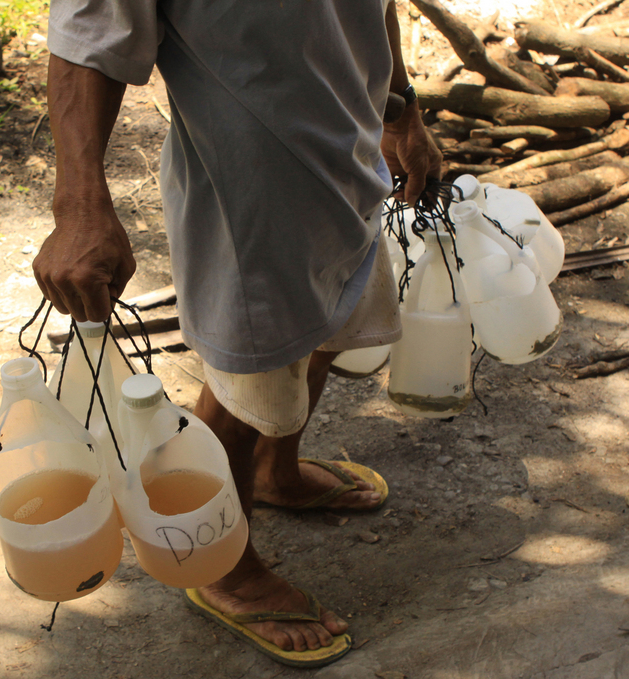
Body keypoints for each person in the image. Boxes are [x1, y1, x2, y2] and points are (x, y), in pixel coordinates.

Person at [33, 0, 441, 667]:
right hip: (250, 188)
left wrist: (400, 111)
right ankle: (221, 564)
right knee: (245, 382)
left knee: (327, 324)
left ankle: (272, 471)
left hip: (349, 153)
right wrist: (79, 207)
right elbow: (88, 35)